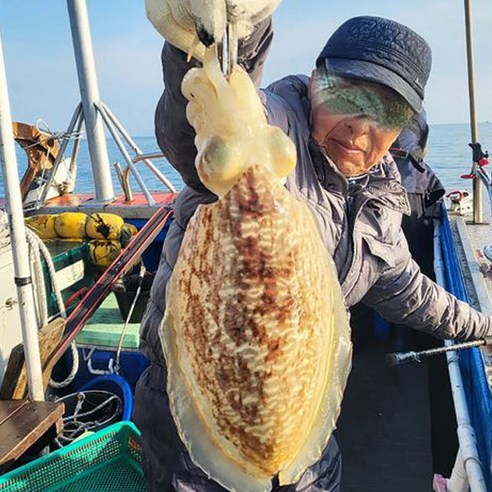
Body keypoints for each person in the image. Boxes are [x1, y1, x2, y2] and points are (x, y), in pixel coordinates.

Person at [134, 6, 492, 492]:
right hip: (199, 397)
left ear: (407, 124)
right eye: (345, 94)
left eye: (386, 111)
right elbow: (208, 125)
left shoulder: (379, 191)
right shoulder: (273, 132)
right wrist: (231, 31)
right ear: (314, 80)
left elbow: (402, 284)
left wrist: (483, 324)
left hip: (300, 410)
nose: (359, 127)